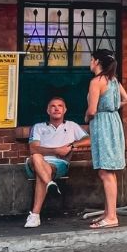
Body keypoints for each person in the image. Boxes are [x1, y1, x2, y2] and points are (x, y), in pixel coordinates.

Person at [23, 96, 90, 228]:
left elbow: (89, 140)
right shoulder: (39, 127)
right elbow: (33, 148)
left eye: (60, 106)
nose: (56, 108)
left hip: (59, 164)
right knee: (36, 156)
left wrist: (71, 146)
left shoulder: (72, 126)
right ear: (48, 111)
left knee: (41, 174)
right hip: (36, 161)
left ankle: (35, 215)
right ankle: (49, 184)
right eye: (53, 106)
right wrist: (56, 150)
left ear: (65, 110)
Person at [85, 51, 127, 230]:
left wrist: (87, 117)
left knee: (105, 171)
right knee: (109, 170)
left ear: (97, 61)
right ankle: (108, 213)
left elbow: (92, 110)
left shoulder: (96, 82)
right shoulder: (113, 80)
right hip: (114, 123)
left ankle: (111, 217)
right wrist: (112, 106)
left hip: (102, 125)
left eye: (91, 59)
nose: (90, 62)